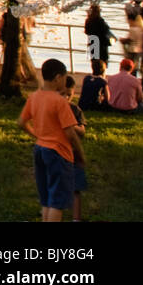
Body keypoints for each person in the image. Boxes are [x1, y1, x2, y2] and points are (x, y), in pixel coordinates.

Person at [18, 58, 85, 222]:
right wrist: (80, 155)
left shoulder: (34, 97)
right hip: (59, 153)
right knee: (57, 201)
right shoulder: (60, 102)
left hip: (40, 150)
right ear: (57, 78)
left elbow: (21, 122)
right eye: (64, 77)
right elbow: (70, 133)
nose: (64, 80)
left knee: (47, 198)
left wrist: (38, 136)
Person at [60, 74, 88, 222]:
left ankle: (76, 218)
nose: (65, 98)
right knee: (53, 187)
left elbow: (82, 131)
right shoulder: (52, 109)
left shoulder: (75, 110)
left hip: (73, 154)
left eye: (68, 95)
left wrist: (72, 126)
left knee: (76, 188)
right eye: (62, 94)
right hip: (56, 153)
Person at [84, 3, 113, 68]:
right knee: (103, 61)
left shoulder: (88, 20)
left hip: (93, 42)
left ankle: (95, 72)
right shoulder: (100, 21)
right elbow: (106, 30)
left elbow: (86, 31)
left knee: (95, 61)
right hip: (101, 44)